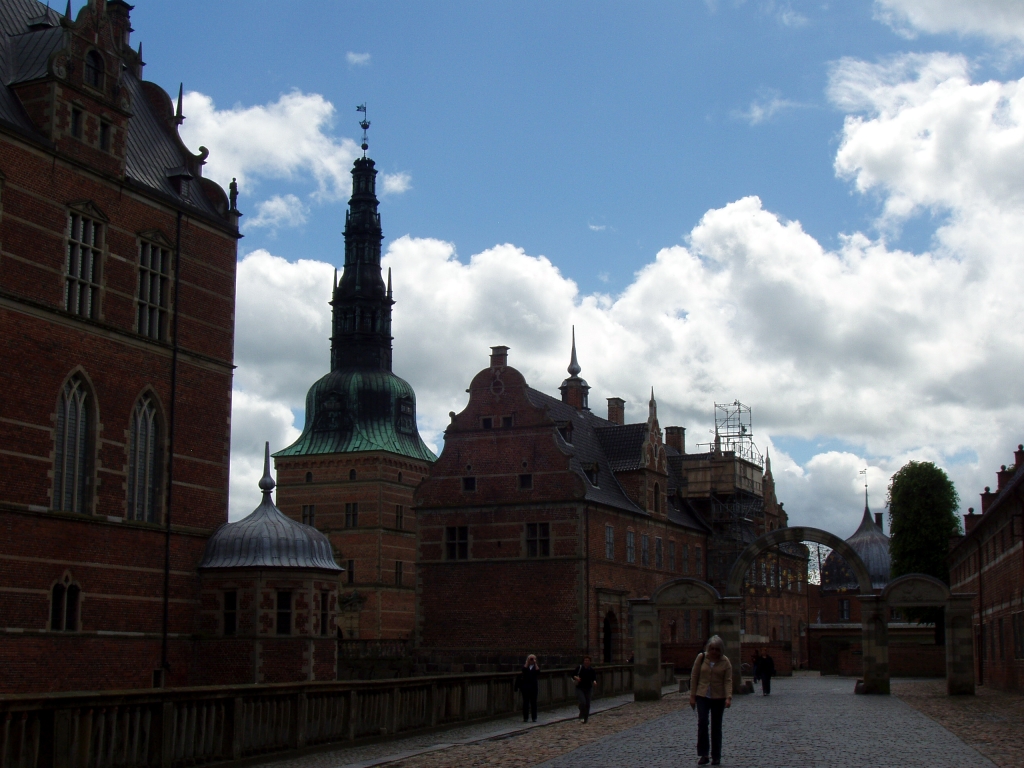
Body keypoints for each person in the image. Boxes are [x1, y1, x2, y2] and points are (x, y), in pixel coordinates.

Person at [689, 636, 733, 766]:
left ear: (721, 650)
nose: (714, 651)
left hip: (718, 697)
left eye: (716, 649)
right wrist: (692, 696)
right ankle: (704, 754)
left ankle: (716, 755)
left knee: (716, 726)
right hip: (702, 695)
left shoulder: (725, 662)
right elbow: (694, 676)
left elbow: (728, 680)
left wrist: (728, 697)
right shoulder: (702, 658)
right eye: (712, 648)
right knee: (702, 722)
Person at [572, 655, 597, 723]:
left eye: (588, 660)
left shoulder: (591, 670)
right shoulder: (579, 668)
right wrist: (576, 678)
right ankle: (581, 715)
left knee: (587, 704)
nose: (586, 662)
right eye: (585, 660)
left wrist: (594, 681)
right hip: (580, 688)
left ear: (590, 662)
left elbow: (594, 677)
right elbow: (572, 675)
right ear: (583, 661)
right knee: (583, 702)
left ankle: (585, 718)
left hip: (588, 688)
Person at [519, 654, 541, 722]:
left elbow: (538, 672)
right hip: (526, 687)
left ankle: (534, 717)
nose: (532, 660)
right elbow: (523, 670)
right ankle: (525, 717)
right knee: (525, 702)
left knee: (533, 702)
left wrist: (535, 663)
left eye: (533, 659)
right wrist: (527, 662)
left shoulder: (535, 666)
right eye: (531, 659)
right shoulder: (526, 666)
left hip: (533, 687)